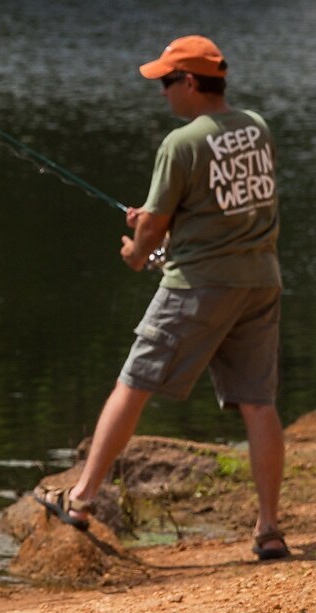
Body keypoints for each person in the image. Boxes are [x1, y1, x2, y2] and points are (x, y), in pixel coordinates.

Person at [36, 36, 287, 561]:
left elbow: (152, 227)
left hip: (197, 286)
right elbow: (228, 209)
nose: (163, 94)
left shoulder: (182, 143)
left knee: (133, 382)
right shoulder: (256, 127)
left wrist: (138, 247)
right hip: (259, 280)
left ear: (191, 82)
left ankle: (79, 500)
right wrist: (165, 229)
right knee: (259, 403)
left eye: (167, 83)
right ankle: (268, 529)